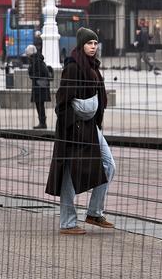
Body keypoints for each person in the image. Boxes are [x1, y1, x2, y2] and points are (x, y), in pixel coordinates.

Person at [46, 27, 117, 235]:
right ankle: (67, 222)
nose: (93, 47)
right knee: (69, 171)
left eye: (95, 43)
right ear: (81, 45)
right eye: (89, 43)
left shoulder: (93, 66)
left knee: (109, 164)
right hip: (73, 128)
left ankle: (94, 212)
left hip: (91, 126)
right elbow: (61, 102)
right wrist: (74, 121)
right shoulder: (73, 67)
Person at [25, 44, 52, 129]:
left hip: (40, 87)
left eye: (27, 55)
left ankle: (42, 123)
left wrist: (33, 74)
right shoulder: (36, 60)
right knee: (39, 105)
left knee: (40, 105)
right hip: (39, 87)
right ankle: (42, 122)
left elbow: (43, 73)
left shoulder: (37, 61)